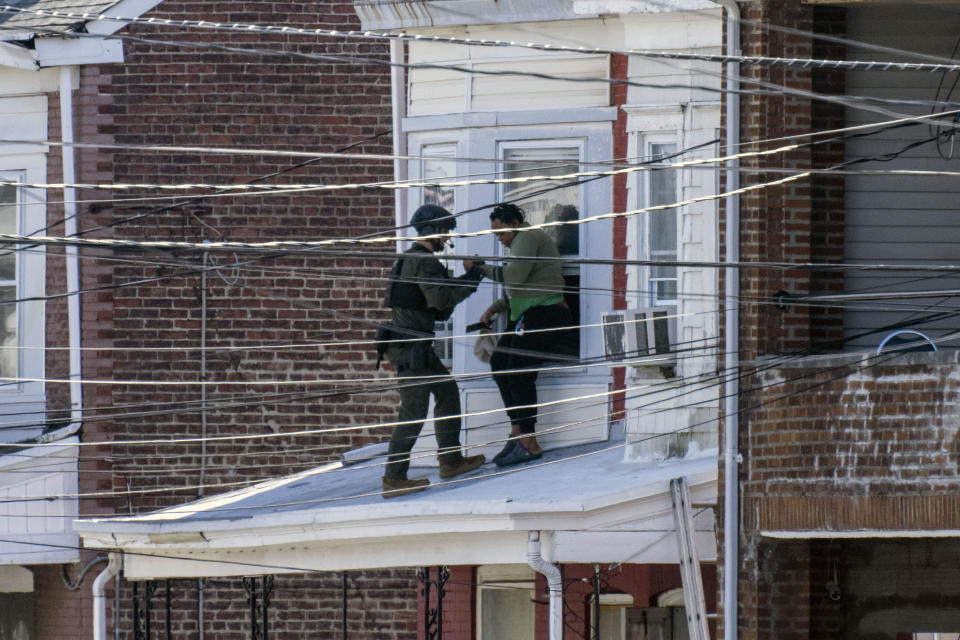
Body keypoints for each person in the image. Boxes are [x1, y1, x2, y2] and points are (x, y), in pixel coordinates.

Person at [380, 204, 487, 497]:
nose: (447, 237)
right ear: (435, 230)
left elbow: (437, 309)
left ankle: (450, 460)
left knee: (448, 393)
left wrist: (460, 283)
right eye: (446, 230)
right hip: (411, 348)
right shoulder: (424, 262)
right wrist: (473, 277)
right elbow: (440, 302)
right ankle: (394, 477)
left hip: (416, 345)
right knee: (413, 410)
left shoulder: (410, 258)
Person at [479, 202, 576, 467]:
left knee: (519, 369)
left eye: (500, 233)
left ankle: (528, 441)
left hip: (546, 313)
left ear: (514, 225)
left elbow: (514, 278)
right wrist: (495, 308)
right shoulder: (523, 241)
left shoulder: (528, 236)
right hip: (531, 311)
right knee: (500, 362)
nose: (499, 240)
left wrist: (480, 267)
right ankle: (517, 430)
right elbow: (527, 287)